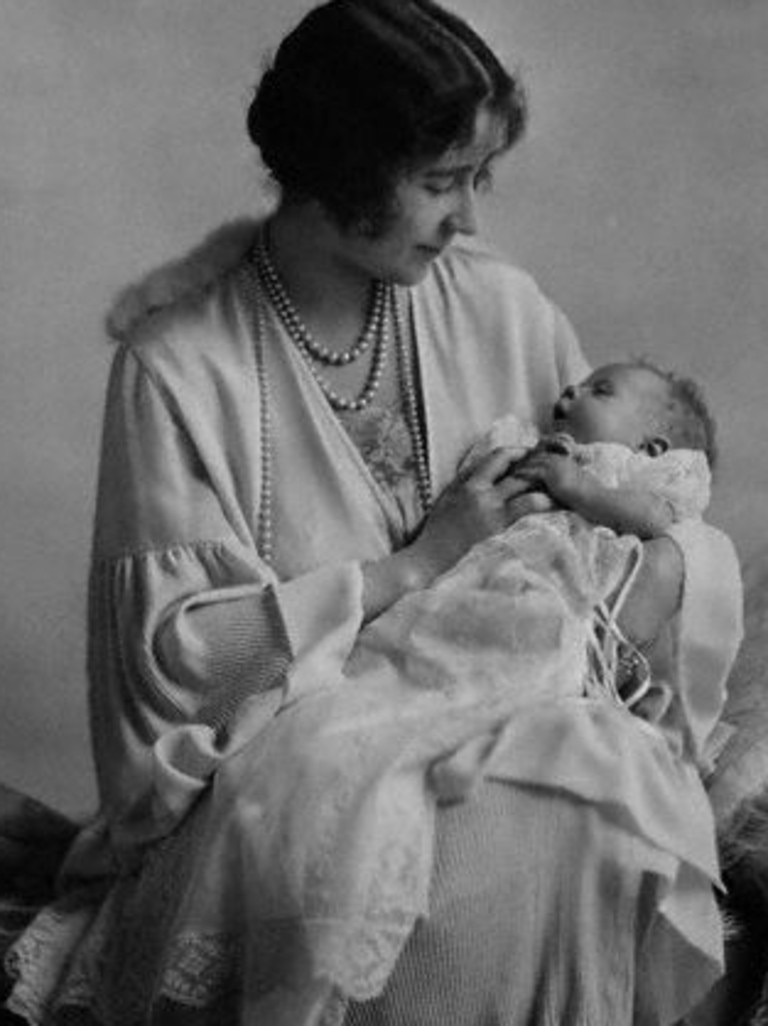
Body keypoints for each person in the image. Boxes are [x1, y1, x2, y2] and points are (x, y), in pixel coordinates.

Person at [4, 1, 743, 1025]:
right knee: (491, 831)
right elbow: (177, 662)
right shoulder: (181, 368)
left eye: (475, 180)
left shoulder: (500, 308)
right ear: (341, 172)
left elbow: (642, 508)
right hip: (295, 766)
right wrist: (408, 569)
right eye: (440, 183)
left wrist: (643, 584)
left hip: (511, 716)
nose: (468, 219)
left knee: (581, 799)